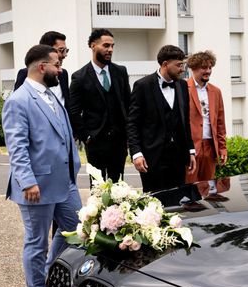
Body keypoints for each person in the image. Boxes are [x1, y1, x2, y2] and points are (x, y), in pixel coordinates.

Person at [2, 44, 82, 287]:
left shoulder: (51, 94)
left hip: (65, 181)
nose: (60, 69)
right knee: (36, 241)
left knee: (76, 228)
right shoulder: (18, 100)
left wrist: (74, 165)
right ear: (41, 67)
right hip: (37, 185)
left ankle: (49, 272)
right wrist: (27, 181)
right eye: (56, 65)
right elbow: (17, 146)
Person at [127, 44, 196, 192]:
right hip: (152, 157)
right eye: (178, 65)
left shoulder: (183, 86)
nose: (182, 69)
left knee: (178, 202)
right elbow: (132, 123)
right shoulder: (142, 86)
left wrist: (190, 150)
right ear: (165, 64)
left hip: (178, 157)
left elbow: (185, 121)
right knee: (154, 205)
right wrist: (136, 153)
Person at [69, 29, 131, 182]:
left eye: (112, 46)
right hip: (95, 142)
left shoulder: (120, 71)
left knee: (119, 188)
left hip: (119, 142)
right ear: (93, 46)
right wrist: (86, 137)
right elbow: (74, 111)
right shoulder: (79, 77)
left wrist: (129, 135)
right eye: (106, 45)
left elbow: (129, 105)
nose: (110, 49)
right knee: (98, 188)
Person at [184, 50, 228, 184]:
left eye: (210, 67)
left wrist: (222, 148)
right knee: (189, 188)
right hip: (190, 147)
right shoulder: (182, 88)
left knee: (208, 188)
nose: (208, 71)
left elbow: (220, 123)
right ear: (193, 68)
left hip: (210, 147)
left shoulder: (216, 91)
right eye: (204, 67)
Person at [14, 31, 70, 110]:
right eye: (61, 50)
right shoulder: (25, 74)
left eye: (66, 50)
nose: (65, 55)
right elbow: (19, 105)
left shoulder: (63, 74)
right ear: (47, 49)